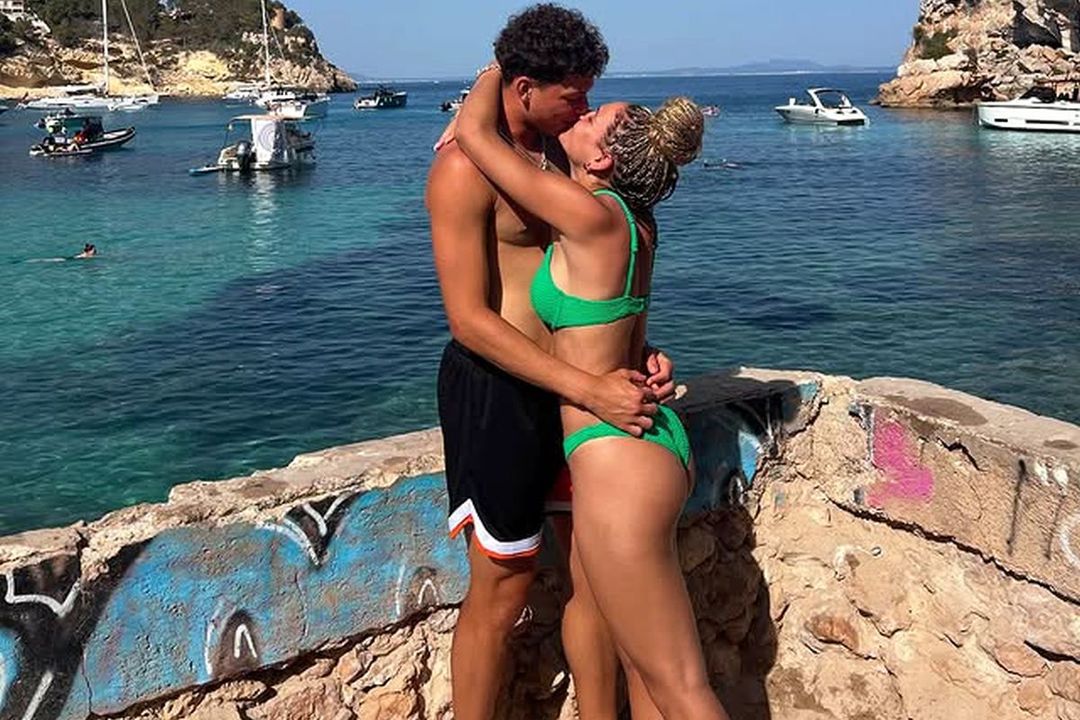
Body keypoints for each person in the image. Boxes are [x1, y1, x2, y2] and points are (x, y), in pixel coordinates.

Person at [455, 64, 730, 720]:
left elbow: (475, 135)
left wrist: (504, 69)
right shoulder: (635, 221)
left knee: (680, 686)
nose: (580, 114)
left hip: (615, 458)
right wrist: (647, 355)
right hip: (650, 444)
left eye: (590, 119)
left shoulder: (586, 214)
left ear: (603, 158)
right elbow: (616, 323)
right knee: (647, 671)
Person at [426, 6, 676, 720]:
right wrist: (591, 387)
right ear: (525, 87)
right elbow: (469, 320)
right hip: (500, 393)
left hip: (577, 394)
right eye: (574, 95)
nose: (585, 108)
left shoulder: (558, 157)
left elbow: (593, 281)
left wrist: (635, 353)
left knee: (594, 580)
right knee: (503, 587)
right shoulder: (463, 169)